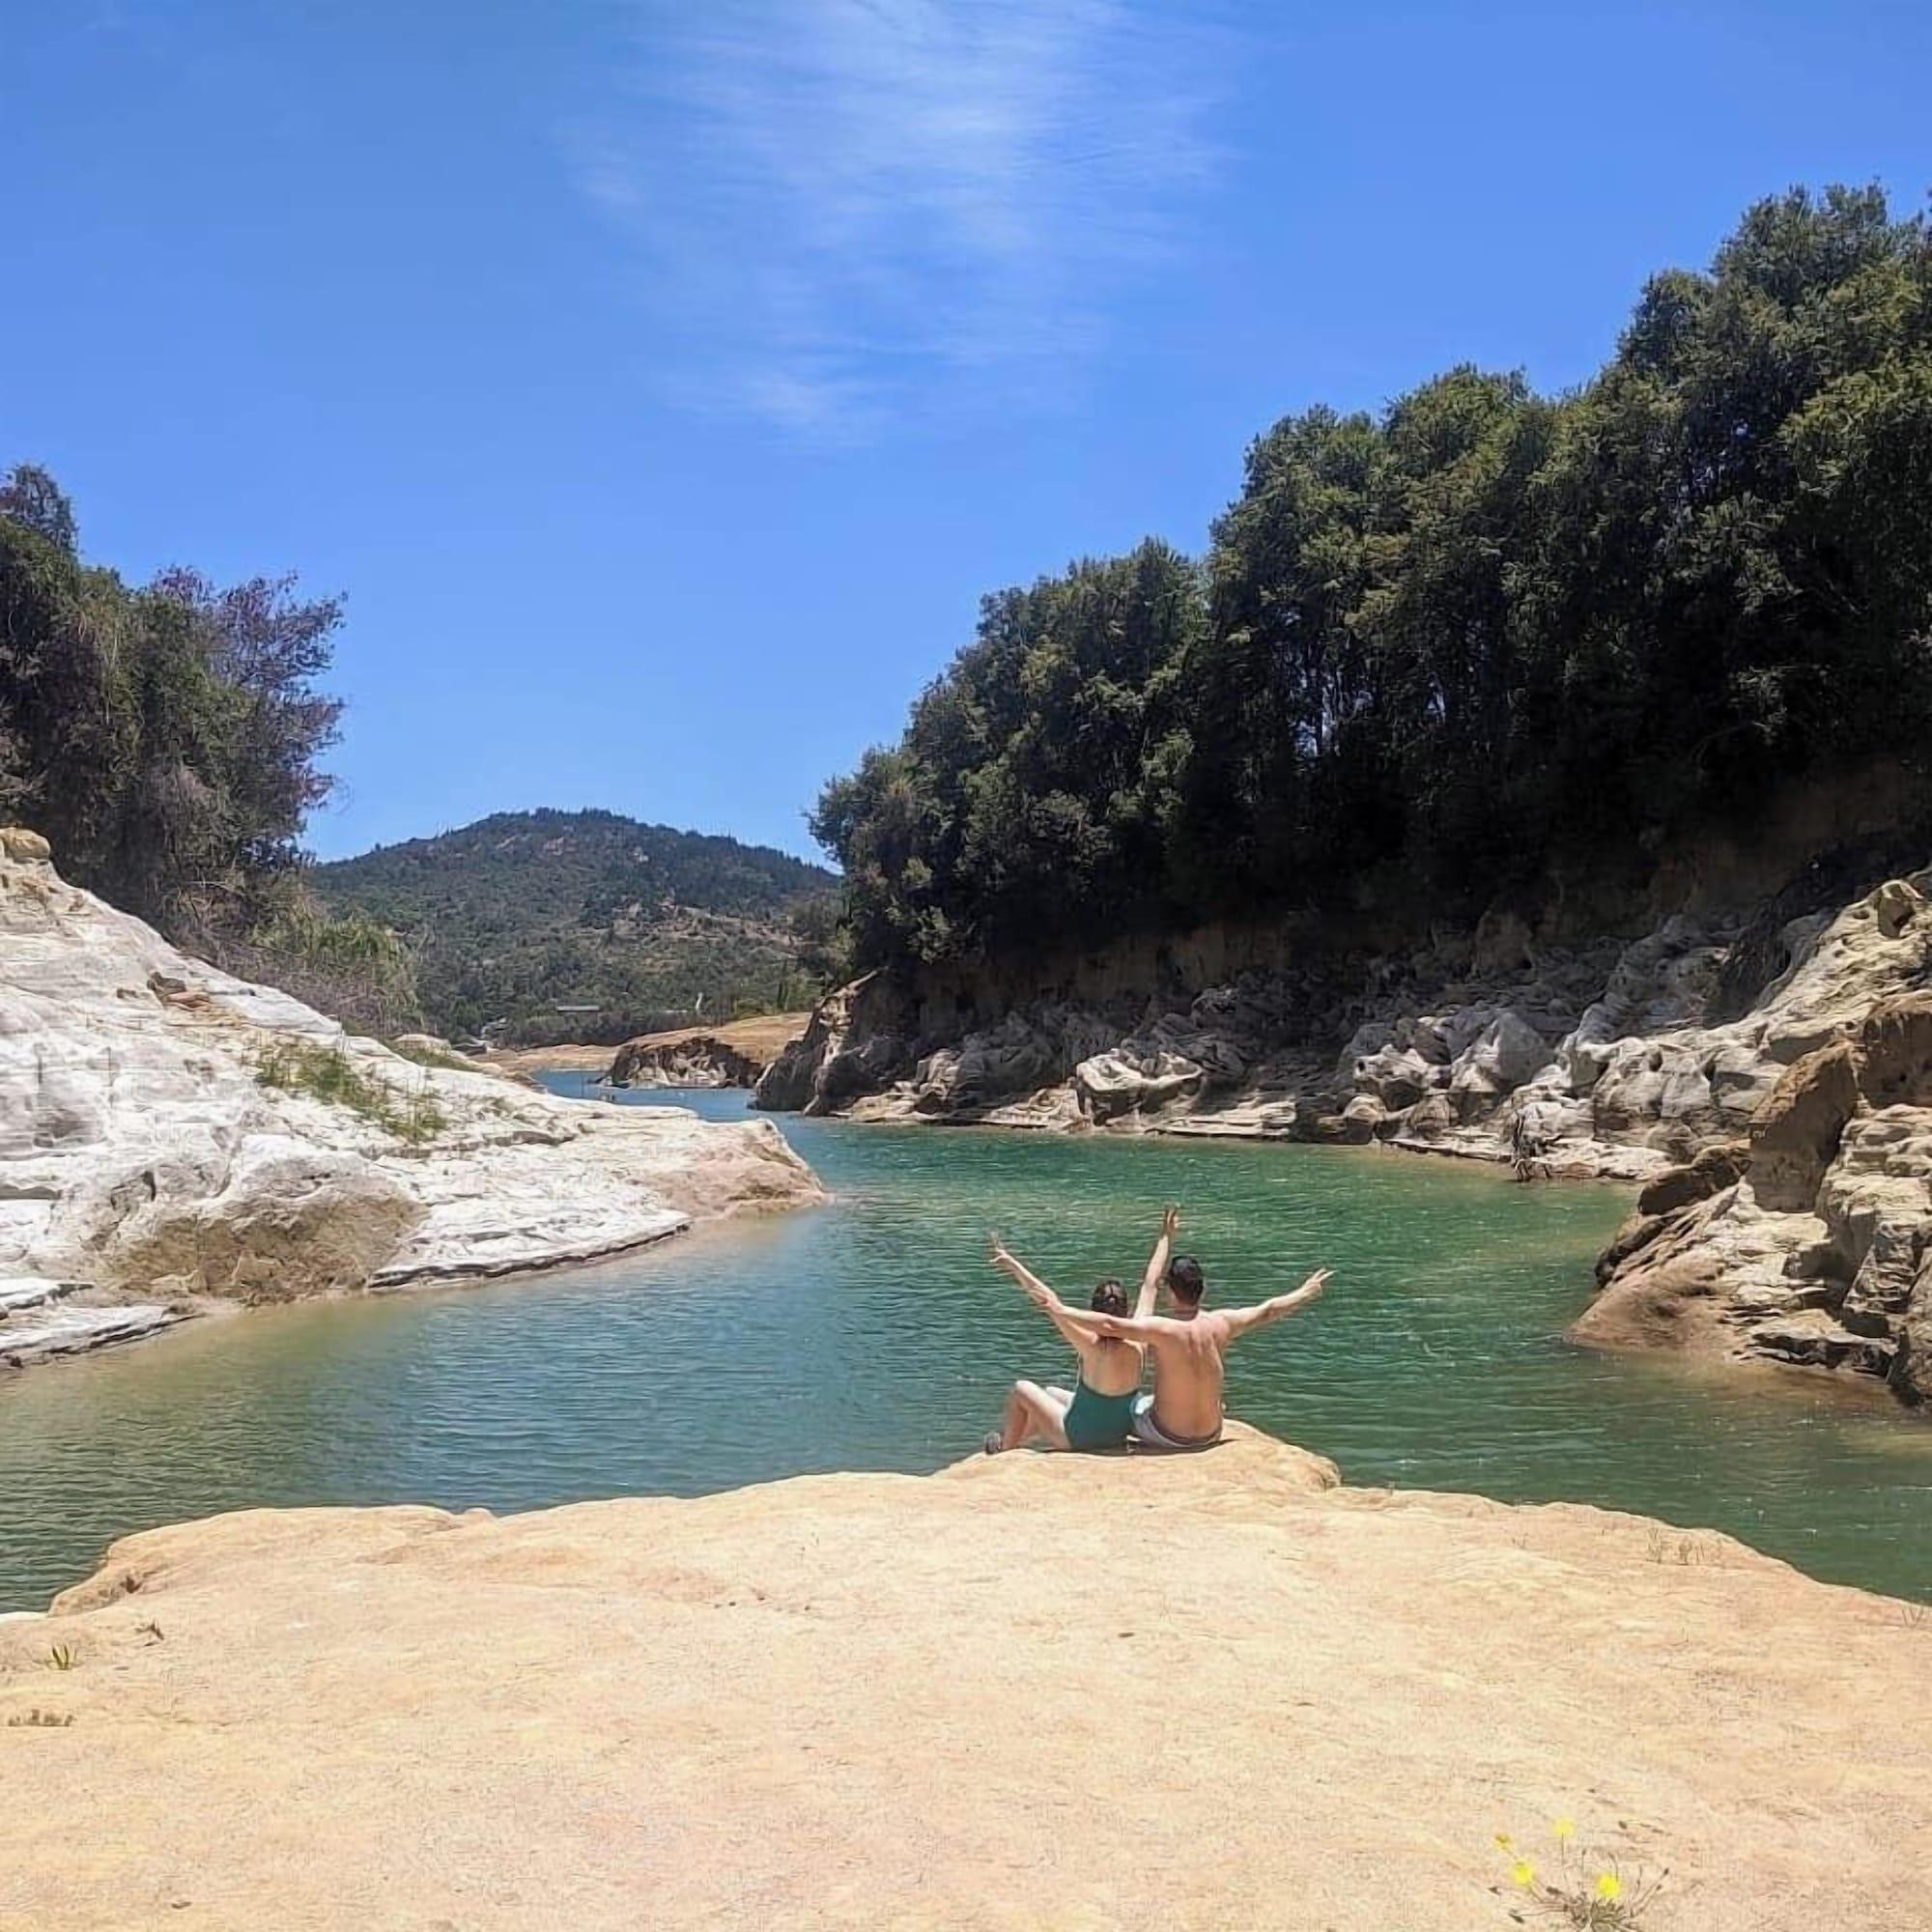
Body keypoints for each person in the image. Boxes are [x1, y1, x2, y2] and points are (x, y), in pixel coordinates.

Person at [1052, 1235, 1331, 1450]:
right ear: (1203, 1288)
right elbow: (1267, 1310)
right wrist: (1304, 1292)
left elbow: (1111, 1325)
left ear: (1171, 1293)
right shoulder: (1221, 1323)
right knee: (1144, 1398)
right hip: (1212, 1432)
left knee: (1126, 1405)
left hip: (1169, 1436)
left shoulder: (1163, 1329)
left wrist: (1060, 1310)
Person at [981, 1207, 1180, 1454]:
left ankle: (1006, 1451)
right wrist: (1166, 1237)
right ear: (1126, 1311)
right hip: (1116, 1434)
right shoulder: (1140, 1341)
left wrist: (1013, 1265)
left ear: (1093, 1312)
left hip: (1078, 1439)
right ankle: (1023, 1440)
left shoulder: (1090, 1345)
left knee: (1022, 1389)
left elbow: (1047, 1301)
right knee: (1052, 1392)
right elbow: (1151, 1285)